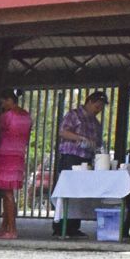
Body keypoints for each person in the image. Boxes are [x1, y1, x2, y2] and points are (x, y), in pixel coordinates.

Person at [53, 90, 107, 237]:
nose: (98, 110)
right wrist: (80, 138)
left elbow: (98, 143)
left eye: (101, 108)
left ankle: (73, 227)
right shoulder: (74, 114)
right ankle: (59, 227)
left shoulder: (96, 122)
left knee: (79, 193)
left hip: (87, 159)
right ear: (89, 102)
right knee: (66, 190)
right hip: (71, 157)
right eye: (97, 107)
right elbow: (63, 132)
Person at [0, 91, 33, 240]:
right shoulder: (26, 116)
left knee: (7, 194)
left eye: (3, 102)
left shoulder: (6, 116)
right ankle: (4, 227)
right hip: (19, 155)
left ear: (10, 100)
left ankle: (12, 229)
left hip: (5, 155)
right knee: (7, 193)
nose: (2, 105)